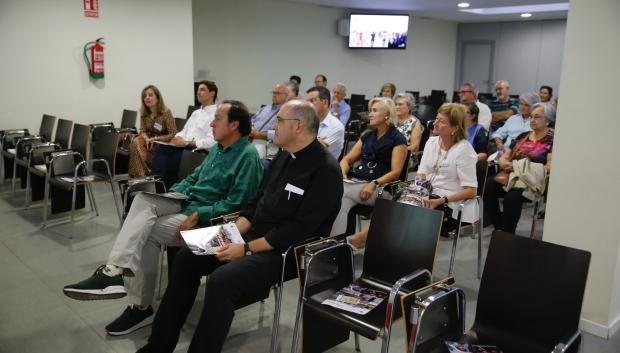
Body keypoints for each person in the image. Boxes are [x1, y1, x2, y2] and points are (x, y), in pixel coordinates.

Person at [136, 100, 343, 353]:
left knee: (223, 280)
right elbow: (255, 206)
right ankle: (159, 345)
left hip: (287, 252)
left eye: (279, 121)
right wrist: (231, 233)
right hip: (253, 236)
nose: (272, 127)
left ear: (298, 126)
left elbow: (298, 230)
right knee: (186, 257)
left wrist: (244, 249)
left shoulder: (325, 170)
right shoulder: (283, 157)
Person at [62, 101, 264, 336]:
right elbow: (194, 177)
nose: (211, 123)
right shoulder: (217, 149)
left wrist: (200, 213)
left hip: (215, 224)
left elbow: (238, 205)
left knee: (143, 230)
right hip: (188, 204)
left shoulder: (248, 157)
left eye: (217, 118)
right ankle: (116, 272)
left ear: (234, 125)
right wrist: (175, 193)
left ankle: (136, 302)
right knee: (142, 201)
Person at [348, 103, 478, 248]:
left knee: (406, 211)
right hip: (427, 194)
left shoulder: (464, 150)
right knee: (398, 203)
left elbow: (471, 191)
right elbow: (421, 173)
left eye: (441, 121)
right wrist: (419, 190)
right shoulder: (432, 142)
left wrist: (440, 200)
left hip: (450, 204)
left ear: (454, 128)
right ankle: (381, 247)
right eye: (436, 118)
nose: (435, 123)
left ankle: (369, 240)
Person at [330, 97, 408, 236]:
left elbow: (396, 173)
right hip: (356, 182)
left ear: (386, 115)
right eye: (370, 110)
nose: (370, 114)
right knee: (340, 198)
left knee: (340, 193)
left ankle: (334, 245)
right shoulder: (367, 136)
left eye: (374, 110)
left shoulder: (398, 139)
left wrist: (374, 183)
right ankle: (339, 243)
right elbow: (347, 159)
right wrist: (342, 173)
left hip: (381, 188)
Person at [484, 102, 554, 234]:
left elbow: (549, 167)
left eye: (537, 117)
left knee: (512, 197)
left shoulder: (551, 140)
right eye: (531, 116)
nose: (532, 120)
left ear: (548, 120)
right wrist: (504, 162)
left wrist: (523, 167)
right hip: (511, 174)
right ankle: (500, 226)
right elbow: (505, 156)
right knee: (488, 187)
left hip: (530, 179)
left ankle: (507, 233)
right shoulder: (523, 136)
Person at [151, 80, 218, 188]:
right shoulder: (196, 112)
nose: (198, 92)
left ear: (212, 93)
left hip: (198, 151)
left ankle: (167, 189)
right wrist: (177, 138)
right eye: (198, 90)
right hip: (184, 147)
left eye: (202, 90)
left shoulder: (216, 114)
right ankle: (161, 188)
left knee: (166, 159)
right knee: (161, 148)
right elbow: (184, 131)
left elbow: (212, 141)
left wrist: (186, 143)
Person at [129, 85, 177, 178]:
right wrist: (147, 138)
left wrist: (155, 139)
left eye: (150, 95)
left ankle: (139, 177)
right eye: (144, 96)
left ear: (158, 98)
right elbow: (142, 130)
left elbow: (173, 133)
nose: (147, 98)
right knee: (136, 141)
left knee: (136, 144)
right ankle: (143, 176)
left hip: (161, 144)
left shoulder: (166, 112)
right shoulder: (144, 112)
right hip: (147, 143)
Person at [249, 83, 288, 158]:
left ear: (286, 96)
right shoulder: (265, 108)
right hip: (250, 139)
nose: (274, 95)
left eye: (277, 93)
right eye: (273, 93)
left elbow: (283, 134)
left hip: (266, 145)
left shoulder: (286, 111)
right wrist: (250, 128)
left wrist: (259, 135)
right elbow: (251, 121)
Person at [306, 86, 345, 158]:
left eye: (312, 101)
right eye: (307, 102)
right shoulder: (306, 121)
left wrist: (302, 139)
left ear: (325, 102)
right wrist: (316, 140)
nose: (308, 105)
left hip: (322, 167)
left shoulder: (336, 126)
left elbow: (316, 152)